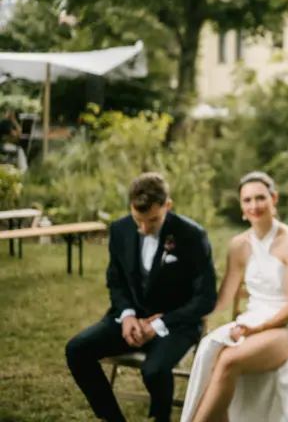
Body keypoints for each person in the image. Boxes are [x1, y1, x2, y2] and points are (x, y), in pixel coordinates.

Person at [65, 172, 218, 422]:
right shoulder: (120, 229)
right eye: (139, 220)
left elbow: (206, 298)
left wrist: (158, 325)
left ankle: (161, 418)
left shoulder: (192, 235)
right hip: (130, 319)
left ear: (167, 205)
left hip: (176, 324)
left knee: (154, 370)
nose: (144, 228)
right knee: (76, 350)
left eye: (153, 220)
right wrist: (127, 315)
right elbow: (116, 281)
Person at [180, 171, 288, 422]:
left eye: (260, 198)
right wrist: (190, 312)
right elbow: (224, 296)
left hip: (287, 325)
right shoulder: (238, 245)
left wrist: (257, 329)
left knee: (229, 360)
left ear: (274, 199)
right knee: (211, 350)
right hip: (252, 318)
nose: (254, 206)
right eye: (247, 200)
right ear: (241, 206)